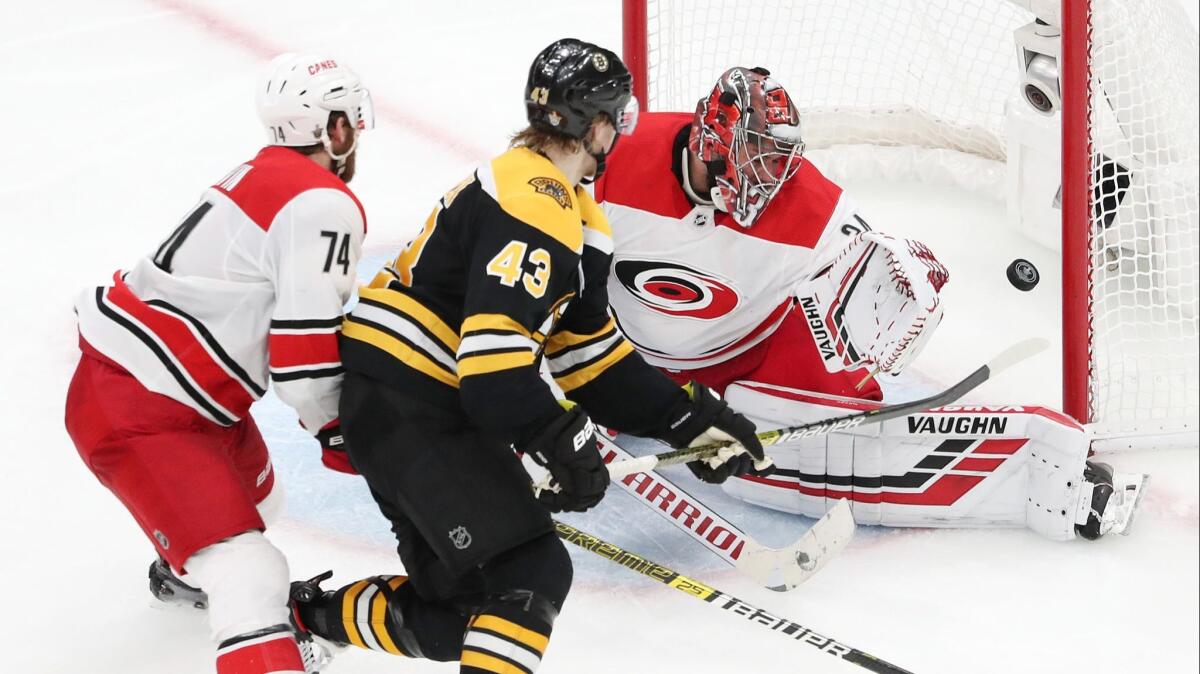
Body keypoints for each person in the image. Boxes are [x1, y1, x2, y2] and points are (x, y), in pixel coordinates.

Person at [288, 39, 772, 673]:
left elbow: (590, 355)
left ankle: (300, 619)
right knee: (531, 572)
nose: (620, 132)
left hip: (402, 400)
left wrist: (683, 418)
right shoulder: (535, 202)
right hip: (416, 402)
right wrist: (559, 437)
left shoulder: (569, 209)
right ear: (595, 124)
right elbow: (492, 371)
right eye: (619, 118)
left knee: (461, 615)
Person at [593, 66, 1145, 541]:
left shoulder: (810, 205)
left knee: (849, 418)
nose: (773, 179)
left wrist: (900, 283)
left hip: (748, 355)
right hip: (622, 355)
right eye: (758, 159)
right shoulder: (618, 162)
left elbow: (867, 271)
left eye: (779, 160)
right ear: (711, 143)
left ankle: (1040, 483)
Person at [64, 52, 373, 673]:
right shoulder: (322, 204)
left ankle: (186, 575)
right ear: (335, 128)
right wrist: (342, 433)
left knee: (260, 504)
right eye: (354, 120)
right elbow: (304, 359)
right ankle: (244, 622)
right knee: (251, 571)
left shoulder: (266, 171)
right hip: (145, 408)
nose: (357, 133)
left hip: (175, 393)